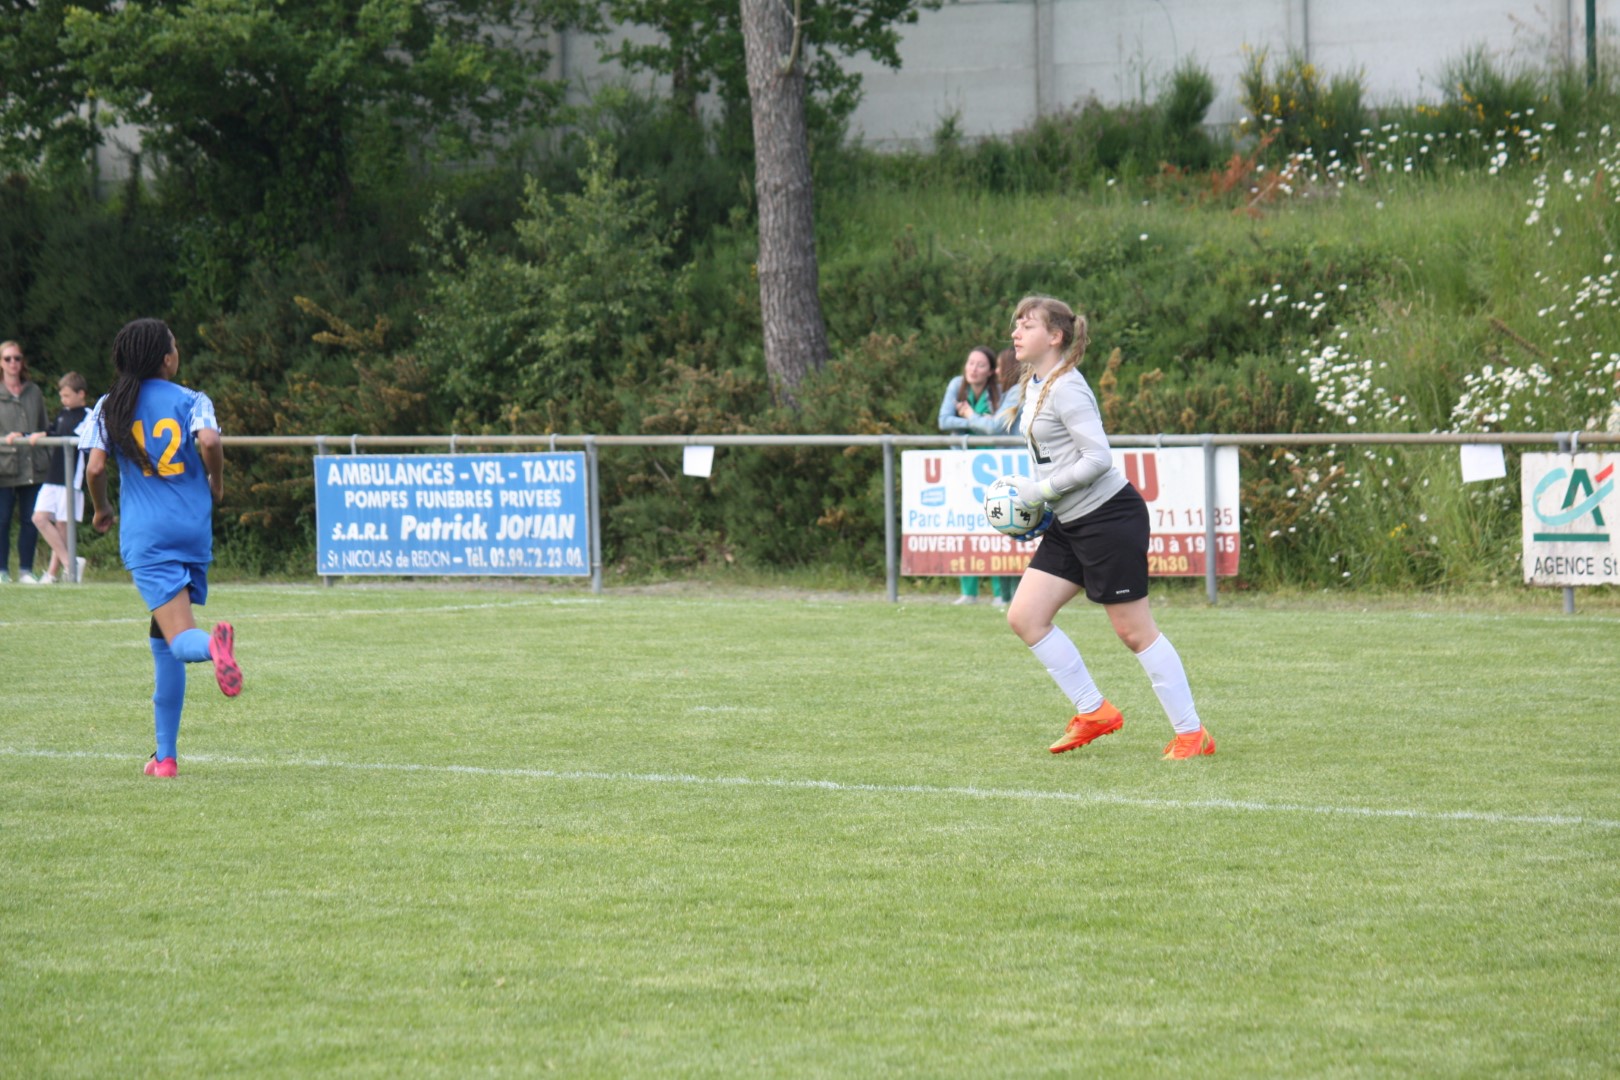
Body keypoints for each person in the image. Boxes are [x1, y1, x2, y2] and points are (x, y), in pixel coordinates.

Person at [1002, 296, 1215, 760]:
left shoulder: (1067, 388)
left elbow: (1098, 458)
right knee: (1025, 617)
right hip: (1070, 521)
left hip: (1108, 519)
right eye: (1016, 324)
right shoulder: (1036, 384)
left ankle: (1192, 734)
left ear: (1055, 336)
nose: (1016, 332)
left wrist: (1042, 491)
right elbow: (1056, 460)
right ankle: (1094, 711)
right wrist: (1042, 506)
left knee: (1134, 632)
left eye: (1027, 325)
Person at [84, 318, 242, 778]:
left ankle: (214, 646)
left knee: (180, 639)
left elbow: (95, 469)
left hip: (149, 538)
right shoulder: (193, 400)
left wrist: (101, 508)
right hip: (192, 532)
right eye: (174, 345)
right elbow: (209, 440)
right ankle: (165, 757)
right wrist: (216, 480)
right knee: (162, 640)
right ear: (166, 358)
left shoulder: (110, 405)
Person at [938, 345, 1017, 607]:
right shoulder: (956, 385)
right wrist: (975, 420)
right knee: (966, 525)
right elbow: (944, 421)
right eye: (970, 363)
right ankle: (968, 592)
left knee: (995, 525)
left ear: (991, 370)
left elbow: (996, 427)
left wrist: (972, 418)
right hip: (962, 465)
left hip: (993, 464)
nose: (973, 369)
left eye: (981, 365)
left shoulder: (1000, 390)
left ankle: (1000, 593)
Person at [28, 371, 92, 584]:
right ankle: (70, 563)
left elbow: (73, 437)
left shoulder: (89, 415)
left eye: (67, 395)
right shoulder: (63, 413)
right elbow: (52, 430)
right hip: (53, 476)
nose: (63, 400)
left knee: (63, 527)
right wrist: (35, 435)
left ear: (81, 394)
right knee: (39, 518)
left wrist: (47, 434)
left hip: (71, 478)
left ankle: (52, 574)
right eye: (61, 396)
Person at [0, 340, 49, 584]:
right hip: (3, 466)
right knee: (2, 520)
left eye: (17, 358)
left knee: (31, 519)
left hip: (32, 465)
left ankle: (26, 570)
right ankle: (2, 571)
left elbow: (44, 426)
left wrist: (34, 435)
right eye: (7, 358)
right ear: (1, 363)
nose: (13, 363)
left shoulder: (34, 392)